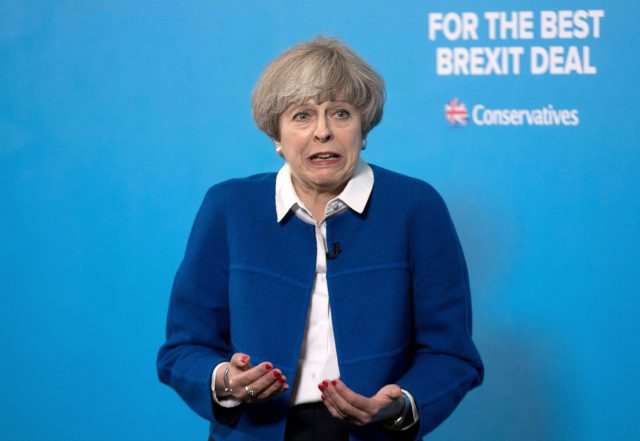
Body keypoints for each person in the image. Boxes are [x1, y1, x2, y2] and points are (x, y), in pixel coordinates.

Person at [157, 36, 483, 441]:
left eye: (341, 113)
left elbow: (451, 355)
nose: (323, 132)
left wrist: (402, 403)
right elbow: (183, 348)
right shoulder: (229, 207)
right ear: (276, 137)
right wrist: (224, 380)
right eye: (302, 116)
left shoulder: (416, 207)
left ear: (364, 130)